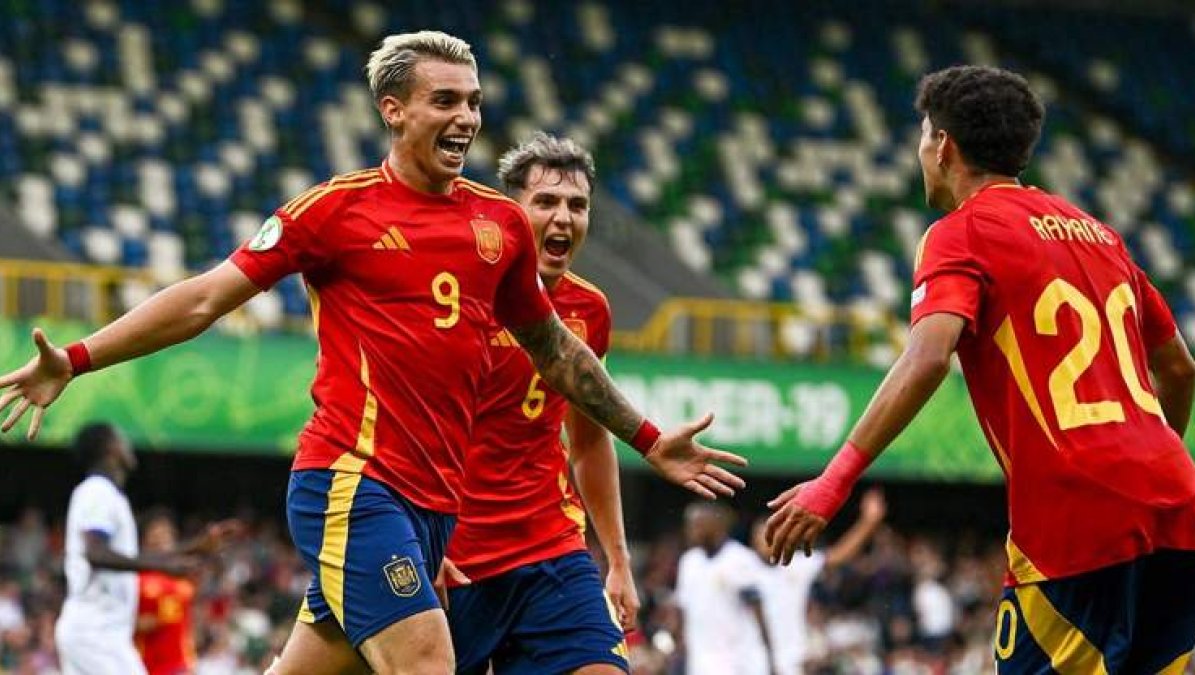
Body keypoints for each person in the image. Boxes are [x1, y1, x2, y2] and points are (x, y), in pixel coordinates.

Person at [0, 31, 746, 675]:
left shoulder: (499, 226)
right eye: (445, 100)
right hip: (351, 485)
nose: (465, 118)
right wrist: (76, 356)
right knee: (427, 661)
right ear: (394, 110)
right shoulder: (335, 210)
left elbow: (557, 350)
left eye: (473, 101)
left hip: (433, 512)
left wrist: (648, 439)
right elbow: (202, 298)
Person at [765, 64, 1195, 673]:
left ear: (943, 145)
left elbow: (928, 356)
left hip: (1076, 516)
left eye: (922, 137)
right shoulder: (1100, 235)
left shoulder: (959, 234)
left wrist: (832, 483)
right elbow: (1179, 369)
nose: (920, 153)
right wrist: (1142, 472)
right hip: (1177, 502)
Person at [444, 133, 635, 674]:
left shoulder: (589, 309)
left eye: (577, 205)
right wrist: (415, 537)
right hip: (453, 555)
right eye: (546, 202)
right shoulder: (458, 294)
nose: (564, 218)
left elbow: (589, 440)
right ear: (511, 212)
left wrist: (617, 560)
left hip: (549, 549)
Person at [54, 423, 236, 675]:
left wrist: (196, 546)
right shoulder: (97, 491)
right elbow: (94, 553)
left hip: (99, 631)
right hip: (96, 630)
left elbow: (127, 557)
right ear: (110, 448)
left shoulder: (107, 494)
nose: (127, 445)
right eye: (121, 439)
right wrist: (163, 565)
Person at [750, 487, 886, 675]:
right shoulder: (740, 565)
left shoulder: (795, 564)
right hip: (747, 659)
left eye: (776, 532)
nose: (771, 539)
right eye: (765, 534)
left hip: (791, 661)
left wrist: (868, 522)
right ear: (753, 539)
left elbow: (838, 556)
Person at [676, 502, 774, 675]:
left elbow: (757, 610)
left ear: (717, 526)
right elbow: (683, 609)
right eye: (690, 525)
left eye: (698, 524)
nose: (691, 530)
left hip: (737, 659)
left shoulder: (740, 559)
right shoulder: (688, 562)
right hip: (700, 658)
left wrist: (769, 656)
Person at [135, 509, 198, 675]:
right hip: (147, 665)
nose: (162, 538)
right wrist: (138, 623)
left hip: (180, 665)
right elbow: (123, 620)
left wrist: (192, 660)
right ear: (145, 541)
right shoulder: (137, 578)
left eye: (166, 533)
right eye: (156, 534)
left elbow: (186, 624)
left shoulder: (182, 577)